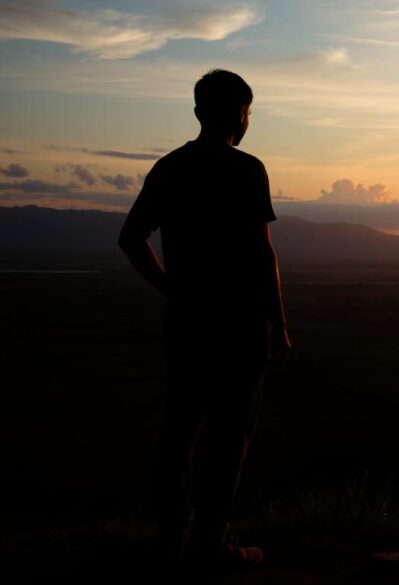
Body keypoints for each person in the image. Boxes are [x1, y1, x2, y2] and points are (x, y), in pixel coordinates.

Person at [118, 68, 291, 574]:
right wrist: (279, 323)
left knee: (179, 435)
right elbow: (263, 254)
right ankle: (210, 546)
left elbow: (131, 238)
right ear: (242, 114)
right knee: (229, 441)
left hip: (188, 323)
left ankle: (171, 542)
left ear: (198, 112)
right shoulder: (247, 170)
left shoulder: (170, 168)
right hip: (240, 327)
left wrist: (172, 287)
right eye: (247, 111)